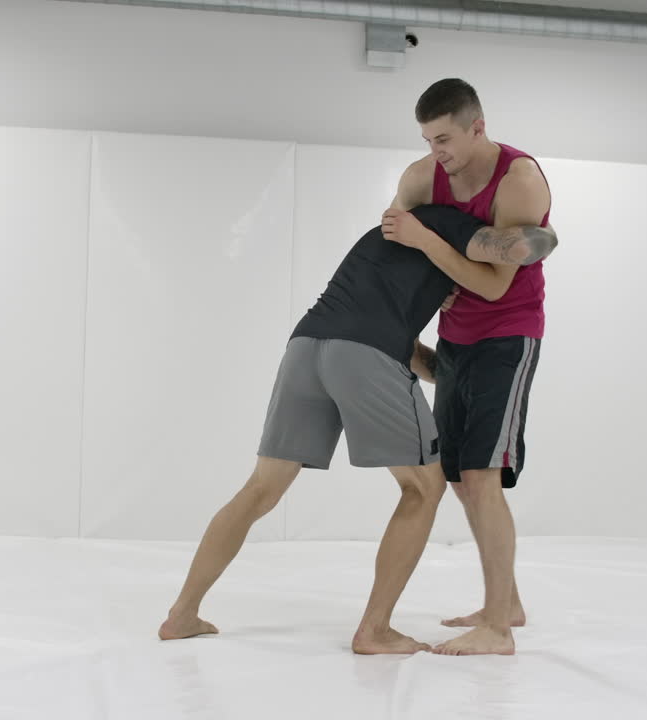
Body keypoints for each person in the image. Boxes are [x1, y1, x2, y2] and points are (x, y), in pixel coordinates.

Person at [158, 204, 556, 654]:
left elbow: (400, 345)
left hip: (306, 347)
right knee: (424, 488)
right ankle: (376, 629)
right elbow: (528, 246)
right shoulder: (453, 226)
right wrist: (537, 230)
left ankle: (182, 614)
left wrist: (460, 377)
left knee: (260, 490)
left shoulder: (384, 240)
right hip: (364, 354)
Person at [382, 78, 555, 656]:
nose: (438, 153)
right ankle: (505, 602)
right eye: (429, 140)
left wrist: (428, 242)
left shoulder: (520, 180)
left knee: (482, 476)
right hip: (452, 335)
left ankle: (499, 632)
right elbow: (393, 255)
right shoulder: (419, 178)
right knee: (458, 477)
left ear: (477, 126)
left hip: (508, 335)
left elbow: (492, 280)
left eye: (446, 139)